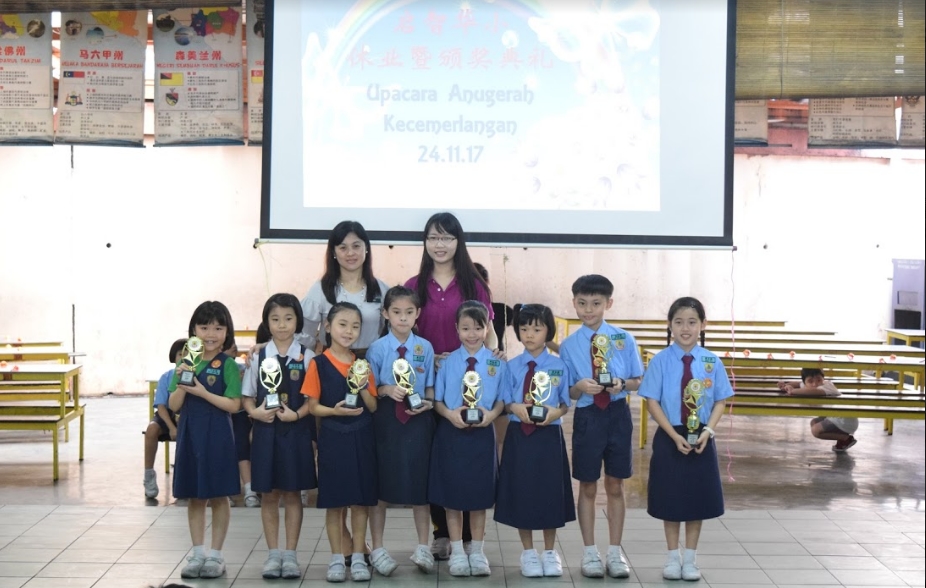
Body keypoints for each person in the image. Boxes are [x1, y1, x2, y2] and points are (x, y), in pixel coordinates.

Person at [404, 211, 498, 560]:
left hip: (469, 386)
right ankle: (442, 533)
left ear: (459, 242)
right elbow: (405, 334)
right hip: (427, 386)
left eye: (446, 237)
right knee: (436, 460)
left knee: (467, 459)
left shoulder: (475, 285)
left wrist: (491, 362)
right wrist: (429, 361)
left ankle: (471, 538)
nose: (439, 244)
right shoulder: (414, 285)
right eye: (433, 237)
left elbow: (488, 333)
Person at [638, 296, 734, 581]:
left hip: (701, 436)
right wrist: (672, 434)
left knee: (696, 500)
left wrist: (708, 431)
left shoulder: (711, 361)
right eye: (678, 322)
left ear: (703, 325)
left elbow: (720, 400)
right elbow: (652, 401)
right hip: (671, 434)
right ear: (669, 325)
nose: (685, 328)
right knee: (670, 498)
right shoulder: (660, 361)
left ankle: (690, 559)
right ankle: (672, 557)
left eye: (692, 322)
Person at [558, 274, 643, 578]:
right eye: (582, 303)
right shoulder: (568, 346)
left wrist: (621, 383)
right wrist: (580, 386)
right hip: (588, 416)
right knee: (588, 485)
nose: (588, 310)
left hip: (618, 415)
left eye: (596, 303)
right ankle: (589, 552)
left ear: (609, 303)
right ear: (574, 303)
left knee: (616, 485)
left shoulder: (623, 338)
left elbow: (637, 379)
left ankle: (615, 552)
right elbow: (569, 392)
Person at [494, 304, 575, 578]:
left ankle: (550, 552)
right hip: (520, 435)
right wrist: (514, 407)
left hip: (549, 435)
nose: (529, 334)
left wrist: (556, 413)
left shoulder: (559, 366)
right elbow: (506, 401)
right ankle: (528, 552)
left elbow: (564, 403)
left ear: (548, 332)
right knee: (523, 490)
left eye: (537, 329)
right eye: (524, 328)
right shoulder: (511, 366)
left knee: (550, 491)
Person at [300, 302, 379, 583]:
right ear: (328, 327)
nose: (349, 331)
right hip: (333, 437)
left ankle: (357, 556)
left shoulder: (362, 364)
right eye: (343, 324)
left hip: (362, 436)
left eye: (355, 326)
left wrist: (362, 385)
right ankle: (336, 557)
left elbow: (372, 405)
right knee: (335, 503)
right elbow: (313, 407)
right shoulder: (318, 364)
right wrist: (334, 411)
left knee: (360, 502)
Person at [429, 300, 507, 577]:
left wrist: (491, 415)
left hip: (482, 434)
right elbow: (437, 401)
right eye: (465, 328)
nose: (471, 334)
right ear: (456, 329)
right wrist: (449, 415)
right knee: (452, 495)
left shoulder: (497, 363)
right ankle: (457, 551)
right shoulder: (447, 362)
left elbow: (502, 400)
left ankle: (477, 550)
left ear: (487, 329)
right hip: (452, 433)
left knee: (479, 496)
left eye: (477, 327)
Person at [242, 294, 317, 579]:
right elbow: (247, 397)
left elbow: (312, 400)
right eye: (275, 319)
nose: (282, 325)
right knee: (269, 495)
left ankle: (291, 554)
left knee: (293, 493)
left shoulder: (308, 357)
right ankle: (273, 555)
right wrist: (256, 413)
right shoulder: (258, 357)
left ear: (298, 321)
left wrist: (296, 415)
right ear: (266, 322)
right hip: (266, 432)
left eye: (288, 318)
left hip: (296, 433)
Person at [366, 286, 437, 575]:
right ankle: (378, 547)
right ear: (385, 313)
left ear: (418, 313)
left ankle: (423, 546)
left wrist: (429, 403)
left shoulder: (425, 348)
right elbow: (370, 389)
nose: (403, 318)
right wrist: (385, 389)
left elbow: (429, 386)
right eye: (396, 312)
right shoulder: (377, 348)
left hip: (418, 419)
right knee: (381, 484)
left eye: (409, 312)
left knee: (421, 483)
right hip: (386, 419)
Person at [168, 301, 242, 579]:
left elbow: (234, 405)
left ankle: (216, 555)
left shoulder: (228, 365)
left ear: (227, 332)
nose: (211, 334)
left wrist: (202, 392)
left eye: (218, 328)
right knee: (195, 496)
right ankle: (197, 553)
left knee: (219, 495)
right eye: (204, 327)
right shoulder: (185, 363)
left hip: (218, 435)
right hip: (190, 434)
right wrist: (183, 383)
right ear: (193, 331)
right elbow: (174, 405)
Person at [299, 220, 389, 358]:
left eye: (356, 246)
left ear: (366, 248)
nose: (350, 253)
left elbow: (390, 331)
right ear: (334, 252)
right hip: (331, 362)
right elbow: (304, 334)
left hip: (371, 362)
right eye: (343, 248)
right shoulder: (320, 290)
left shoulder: (382, 290)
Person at [143, 337, 187, 499]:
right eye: (180, 354)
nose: (184, 358)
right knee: (151, 430)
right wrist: (171, 427)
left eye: (188, 354)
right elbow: (161, 406)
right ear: (174, 357)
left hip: (187, 414)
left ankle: (183, 476)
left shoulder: (194, 375)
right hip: (168, 414)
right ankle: (148, 475)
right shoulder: (166, 377)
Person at [778, 368, 859, 452]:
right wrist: (785, 385)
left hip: (844, 421)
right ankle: (842, 439)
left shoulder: (827, 386)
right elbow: (799, 384)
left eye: (819, 380)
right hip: (835, 418)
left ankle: (846, 438)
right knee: (814, 422)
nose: (815, 384)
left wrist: (792, 390)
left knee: (815, 431)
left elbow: (814, 391)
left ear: (823, 379)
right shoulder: (809, 385)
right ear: (805, 382)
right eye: (810, 381)